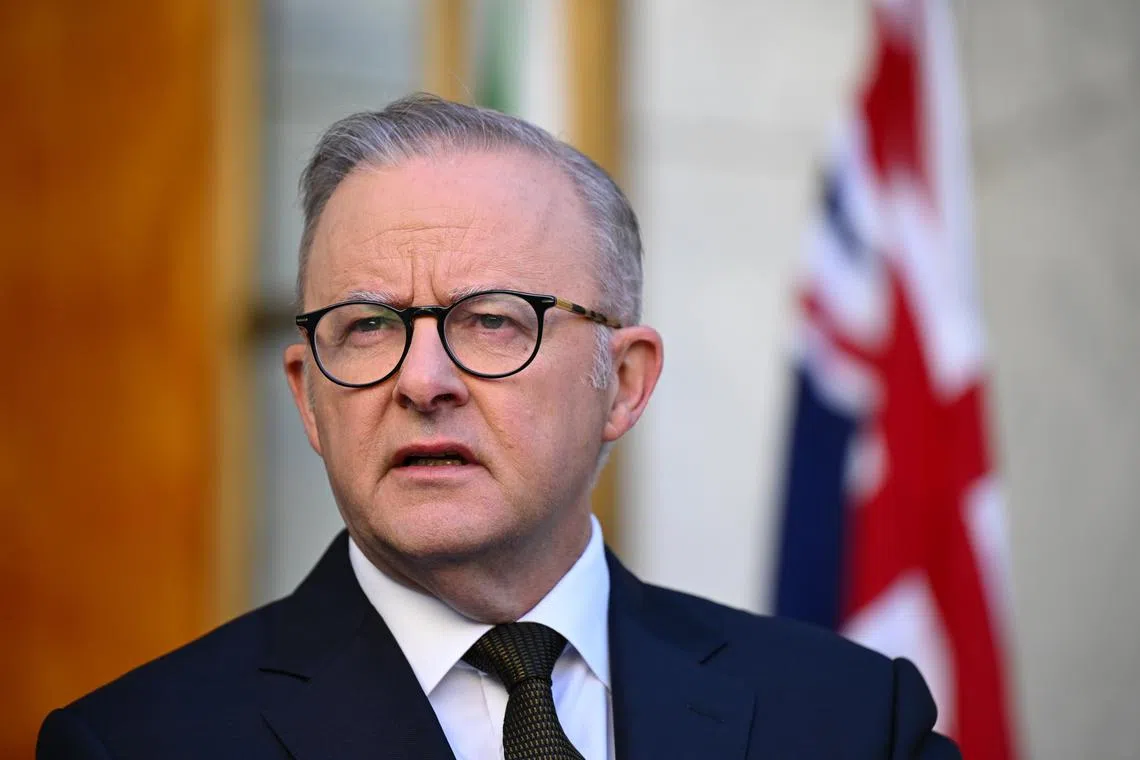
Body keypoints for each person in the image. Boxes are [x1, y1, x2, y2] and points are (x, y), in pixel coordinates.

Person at [37, 94, 960, 759]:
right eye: (366, 328)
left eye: (491, 320)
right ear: (307, 395)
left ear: (624, 384)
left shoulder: (850, 719)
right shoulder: (134, 743)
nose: (422, 381)